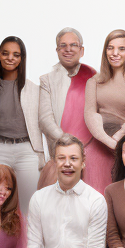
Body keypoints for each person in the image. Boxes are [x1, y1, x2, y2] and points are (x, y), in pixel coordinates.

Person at [0, 36, 47, 213]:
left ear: (22, 58)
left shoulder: (34, 90)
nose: (10, 58)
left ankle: (27, 242)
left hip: (27, 151)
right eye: (5, 53)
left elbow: (41, 123)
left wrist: (44, 154)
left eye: (16, 54)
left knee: (29, 206)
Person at [83, 29, 125, 194]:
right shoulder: (94, 82)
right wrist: (109, 141)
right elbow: (90, 114)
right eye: (110, 48)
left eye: (121, 48)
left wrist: (118, 138)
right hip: (99, 138)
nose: (115, 53)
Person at [37, 27, 97, 188]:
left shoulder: (95, 77)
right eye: (63, 45)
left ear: (81, 50)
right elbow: (45, 119)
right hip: (60, 154)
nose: (68, 49)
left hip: (92, 155)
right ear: (57, 50)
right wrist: (68, 145)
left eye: (73, 45)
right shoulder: (46, 80)